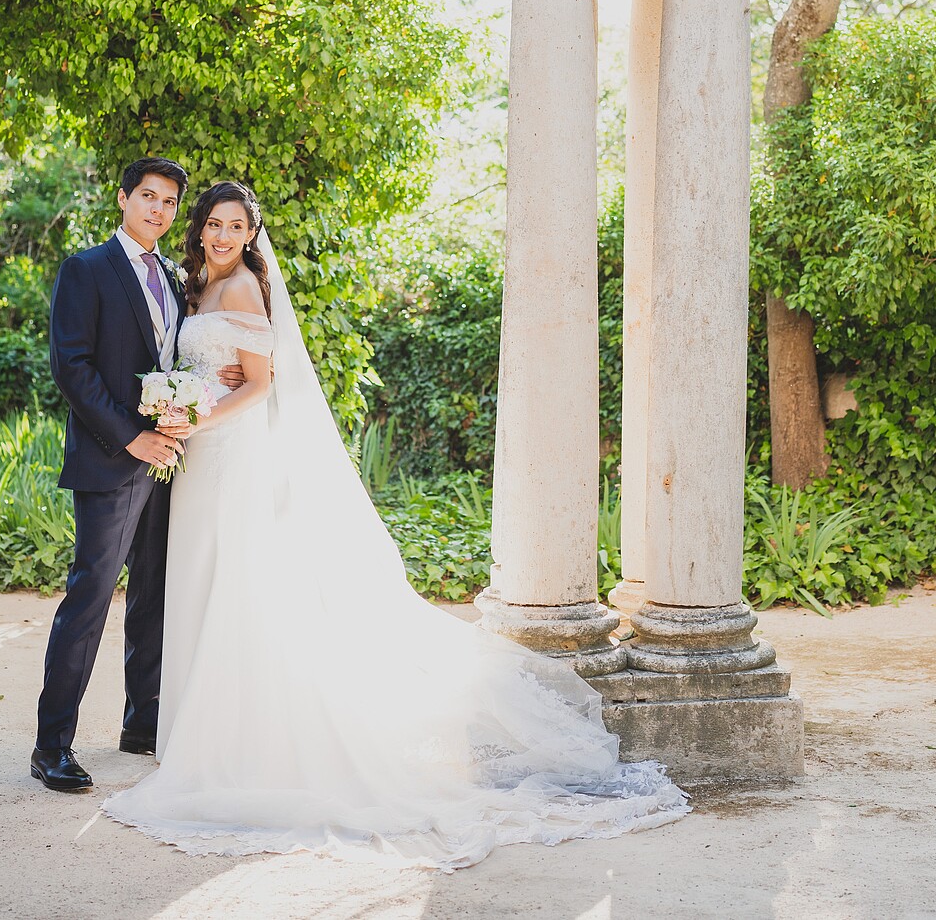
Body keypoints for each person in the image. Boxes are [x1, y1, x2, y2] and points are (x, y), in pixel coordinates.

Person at [100, 180, 688, 871]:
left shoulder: (246, 292)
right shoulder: (193, 284)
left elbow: (258, 386)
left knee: (239, 589)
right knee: (200, 585)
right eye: (215, 225)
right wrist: (180, 411)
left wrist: (197, 416)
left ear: (251, 236)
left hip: (233, 458)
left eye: (237, 227)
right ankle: (195, 736)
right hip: (197, 464)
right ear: (199, 231)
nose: (224, 236)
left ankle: (240, 749)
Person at [30, 158, 243, 792]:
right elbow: (73, 369)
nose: (158, 209)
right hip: (112, 460)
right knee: (91, 597)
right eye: (147, 197)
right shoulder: (86, 270)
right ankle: (52, 747)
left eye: (170, 202)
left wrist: (219, 380)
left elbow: (179, 358)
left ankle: (142, 723)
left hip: (173, 462)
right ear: (123, 199)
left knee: (154, 596)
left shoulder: (180, 279)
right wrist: (133, 438)